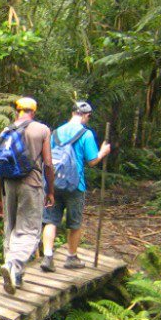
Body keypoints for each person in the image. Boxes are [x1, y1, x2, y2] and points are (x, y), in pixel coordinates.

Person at [40, 100, 111, 271]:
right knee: (75, 223)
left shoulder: (55, 132)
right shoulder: (86, 134)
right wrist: (103, 152)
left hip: (53, 183)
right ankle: (71, 258)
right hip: (75, 185)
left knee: (50, 220)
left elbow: (47, 158)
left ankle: (48, 257)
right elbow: (92, 160)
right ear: (86, 116)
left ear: (72, 113)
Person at [0, 97, 55, 293]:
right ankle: (13, 264)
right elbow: (48, 164)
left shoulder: (6, 131)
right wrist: (50, 191)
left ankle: (16, 277)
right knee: (29, 230)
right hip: (32, 185)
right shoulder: (42, 130)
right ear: (33, 112)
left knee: (11, 228)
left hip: (8, 185)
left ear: (17, 111)